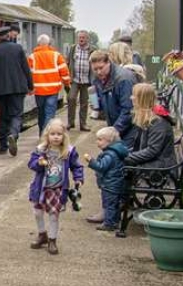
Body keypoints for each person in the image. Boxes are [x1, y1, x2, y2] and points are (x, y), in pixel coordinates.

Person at [27, 118, 84, 255]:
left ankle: (52, 240)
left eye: (59, 134)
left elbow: (77, 166)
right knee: (37, 213)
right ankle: (42, 235)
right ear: (47, 135)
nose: (56, 137)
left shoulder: (69, 151)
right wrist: (39, 163)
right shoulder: (41, 150)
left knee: (54, 215)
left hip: (57, 189)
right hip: (41, 187)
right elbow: (31, 164)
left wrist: (78, 178)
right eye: (53, 134)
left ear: (64, 136)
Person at [0, 25, 33, 156]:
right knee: (16, 115)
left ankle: (3, 147)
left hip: (1, 90)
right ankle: (13, 135)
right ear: (8, 36)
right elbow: (26, 69)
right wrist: (30, 84)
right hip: (17, 88)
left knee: (4, 116)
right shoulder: (18, 48)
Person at [84, 127, 128, 232]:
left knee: (109, 204)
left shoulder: (109, 155)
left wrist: (91, 161)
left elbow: (101, 167)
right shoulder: (115, 152)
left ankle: (109, 223)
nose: (97, 142)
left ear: (109, 141)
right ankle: (115, 221)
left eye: (100, 140)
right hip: (115, 183)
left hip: (110, 184)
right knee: (114, 204)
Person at [90, 50, 137, 149]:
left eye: (101, 68)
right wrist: (96, 104)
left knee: (125, 157)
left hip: (131, 128)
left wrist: (114, 130)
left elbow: (129, 110)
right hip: (114, 123)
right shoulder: (98, 78)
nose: (98, 72)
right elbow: (104, 101)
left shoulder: (124, 79)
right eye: (95, 69)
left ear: (108, 63)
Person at [124, 83, 177, 170]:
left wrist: (127, 157)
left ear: (142, 99)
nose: (131, 98)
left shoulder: (158, 122)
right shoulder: (150, 118)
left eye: (134, 95)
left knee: (116, 168)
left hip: (159, 167)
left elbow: (152, 151)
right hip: (156, 163)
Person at [28, 34, 71, 135]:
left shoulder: (32, 57)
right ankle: (44, 136)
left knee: (41, 113)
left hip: (38, 91)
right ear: (49, 43)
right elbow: (64, 72)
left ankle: (41, 133)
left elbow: (28, 74)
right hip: (53, 90)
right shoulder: (56, 55)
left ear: (38, 44)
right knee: (49, 114)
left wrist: (29, 89)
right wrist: (67, 84)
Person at [66, 30, 96, 131]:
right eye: (79, 37)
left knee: (84, 102)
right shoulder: (73, 48)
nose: (81, 39)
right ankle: (70, 122)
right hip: (74, 79)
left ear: (87, 39)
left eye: (83, 37)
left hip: (87, 80)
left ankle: (83, 124)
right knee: (71, 98)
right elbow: (68, 61)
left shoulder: (92, 50)